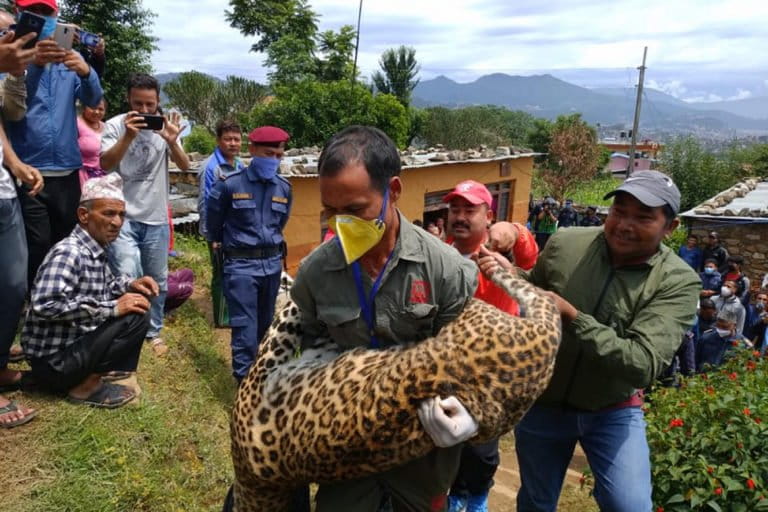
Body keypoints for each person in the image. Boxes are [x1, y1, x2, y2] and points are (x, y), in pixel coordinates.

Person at [290, 126, 479, 512]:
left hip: (422, 455)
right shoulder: (315, 274)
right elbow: (302, 356)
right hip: (346, 452)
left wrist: (466, 410)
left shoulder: (447, 272)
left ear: (393, 191)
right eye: (332, 211)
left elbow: (469, 367)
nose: (342, 224)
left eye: (355, 210)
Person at [504, 170, 700, 511]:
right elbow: (532, 293)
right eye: (619, 211)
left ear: (670, 227)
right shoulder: (567, 243)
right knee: (536, 501)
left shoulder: (678, 282)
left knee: (629, 504)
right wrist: (507, 265)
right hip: (543, 403)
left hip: (612, 409)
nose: (624, 224)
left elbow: (642, 364)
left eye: (643, 217)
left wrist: (574, 317)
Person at [21, 174, 157, 408]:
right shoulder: (70, 253)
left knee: (137, 302)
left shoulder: (93, 248)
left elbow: (106, 285)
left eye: (121, 215)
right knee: (135, 316)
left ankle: (104, 374)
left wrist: (130, 285)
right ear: (84, 215)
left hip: (66, 352)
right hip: (54, 362)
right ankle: (86, 387)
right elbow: (46, 304)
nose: (117, 222)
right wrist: (112, 308)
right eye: (108, 214)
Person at [7, 0, 103, 290]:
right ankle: (36, 301)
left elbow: (92, 100)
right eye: (33, 11)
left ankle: (62, 296)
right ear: (18, 13)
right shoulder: (11, 54)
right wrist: (34, 65)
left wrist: (87, 72)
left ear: (56, 15)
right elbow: (13, 106)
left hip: (67, 170)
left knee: (66, 239)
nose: (40, 17)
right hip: (29, 170)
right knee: (37, 242)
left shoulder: (69, 57)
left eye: (46, 12)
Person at [442, 180, 522, 512]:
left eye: (469, 210)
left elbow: (525, 249)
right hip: (444, 368)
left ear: (487, 216)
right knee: (443, 440)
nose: (460, 217)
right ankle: (452, 495)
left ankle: (475, 498)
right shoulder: (439, 255)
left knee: (481, 449)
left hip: (490, 371)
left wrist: (514, 237)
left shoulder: (499, 258)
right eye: (455, 209)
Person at [101, 73, 190, 357]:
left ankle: (153, 331)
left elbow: (186, 166)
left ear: (157, 102)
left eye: (150, 104)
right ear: (128, 99)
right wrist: (128, 136)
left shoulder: (165, 129)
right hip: (122, 215)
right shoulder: (115, 126)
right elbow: (105, 163)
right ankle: (129, 330)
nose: (144, 110)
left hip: (156, 217)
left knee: (158, 279)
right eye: (138, 103)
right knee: (128, 273)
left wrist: (173, 142)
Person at [206, 125, 291, 382]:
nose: (274, 160)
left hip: (272, 265)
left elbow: (280, 224)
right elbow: (213, 226)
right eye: (268, 153)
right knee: (245, 328)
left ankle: (263, 380)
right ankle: (244, 387)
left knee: (266, 328)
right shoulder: (230, 185)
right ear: (252, 150)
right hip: (240, 266)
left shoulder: (284, 188)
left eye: (279, 155)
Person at [0, 28, 43, 428]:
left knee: (13, 284)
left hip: (3, 192)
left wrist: (13, 163)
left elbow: (4, 119)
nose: (9, 34)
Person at [198, 120, 245, 328]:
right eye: (228, 139)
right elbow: (205, 203)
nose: (233, 143)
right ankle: (221, 318)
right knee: (220, 272)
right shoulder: (211, 167)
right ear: (218, 141)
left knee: (236, 271)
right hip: (218, 231)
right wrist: (214, 236)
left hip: (237, 230)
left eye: (236, 139)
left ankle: (234, 311)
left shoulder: (241, 165)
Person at [77, 98, 106, 187]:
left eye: (101, 109)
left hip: (102, 178)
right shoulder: (75, 124)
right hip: (80, 177)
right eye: (93, 108)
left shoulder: (106, 126)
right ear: (84, 108)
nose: (97, 112)